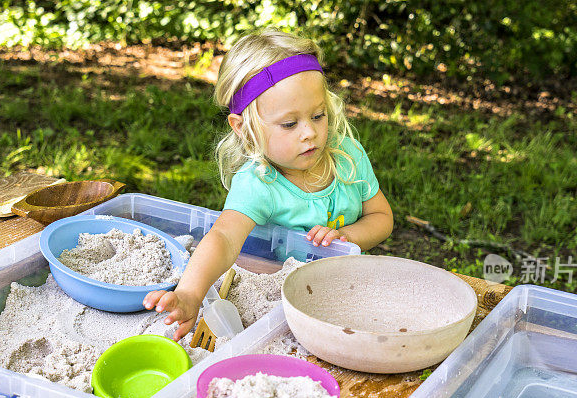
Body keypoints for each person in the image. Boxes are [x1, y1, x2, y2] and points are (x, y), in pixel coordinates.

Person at [144, 29, 393, 340]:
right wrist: (191, 293)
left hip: (345, 290)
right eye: (290, 124)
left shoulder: (348, 157)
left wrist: (345, 237)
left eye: (318, 115)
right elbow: (223, 236)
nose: (309, 133)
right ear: (245, 129)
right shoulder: (259, 182)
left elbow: (382, 218)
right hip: (282, 308)